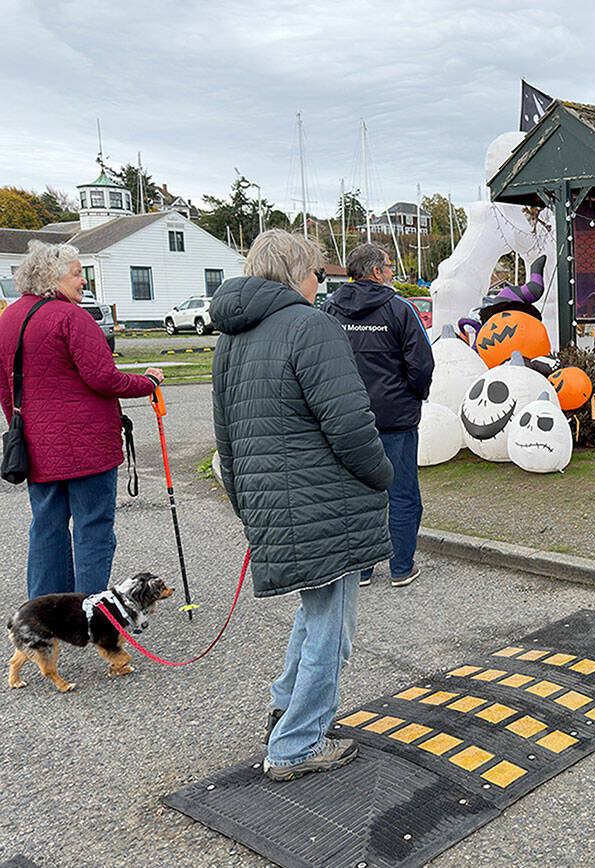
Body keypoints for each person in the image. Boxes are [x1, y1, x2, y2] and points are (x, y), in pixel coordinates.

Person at [210, 229, 393, 782]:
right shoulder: (310, 327)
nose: (321, 283)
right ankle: (297, 743)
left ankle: (283, 708)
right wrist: (384, 476)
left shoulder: (232, 338)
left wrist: (246, 503)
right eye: (316, 272)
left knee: (315, 615)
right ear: (297, 275)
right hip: (323, 502)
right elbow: (350, 424)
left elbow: (225, 437)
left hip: (274, 500)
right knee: (332, 626)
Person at [0, 240, 163, 599]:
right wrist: (148, 383)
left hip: (35, 445)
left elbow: (5, 386)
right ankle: (90, 612)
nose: (83, 282)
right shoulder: (72, 317)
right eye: (77, 274)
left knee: (47, 528)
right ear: (52, 277)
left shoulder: (8, 317)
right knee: (93, 527)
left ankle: (45, 614)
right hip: (89, 447)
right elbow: (105, 378)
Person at [325, 243, 433, 588]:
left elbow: (320, 365)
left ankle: (363, 568)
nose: (391, 272)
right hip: (394, 420)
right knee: (402, 494)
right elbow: (422, 364)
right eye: (388, 267)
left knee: (358, 496)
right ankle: (401, 567)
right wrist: (414, 397)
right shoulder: (401, 309)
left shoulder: (329, 310)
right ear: (375, 272)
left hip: (347, 421)